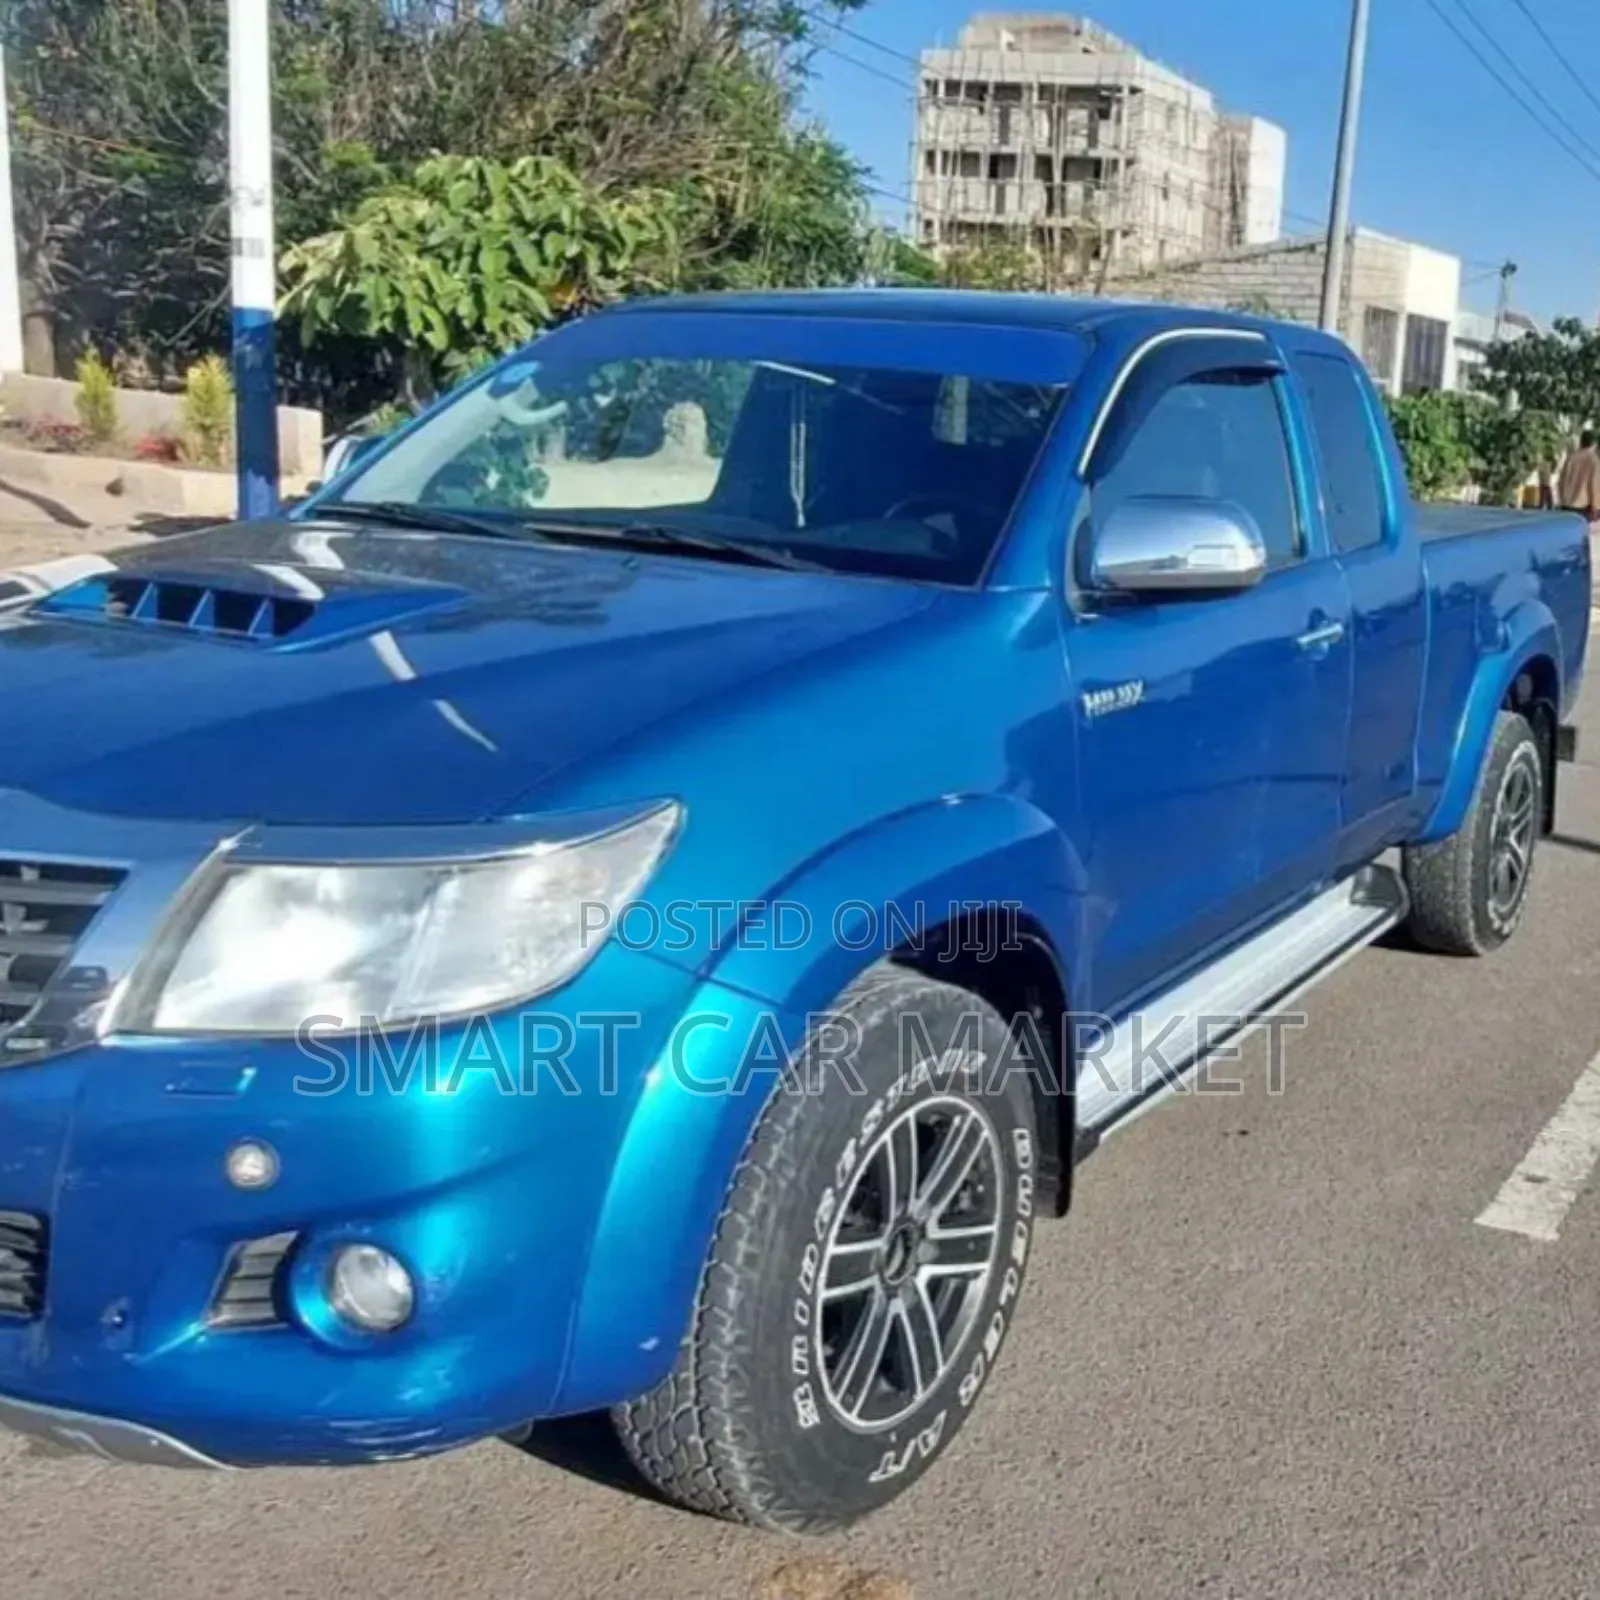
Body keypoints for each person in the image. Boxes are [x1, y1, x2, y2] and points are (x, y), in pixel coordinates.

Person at [1557, 430, 1600, 525]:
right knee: (1581, 536)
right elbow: (1594, 485)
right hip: (1582, 507)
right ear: (1594, 443)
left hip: (1566, 504)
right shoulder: (1593, 460)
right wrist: (1595, 507)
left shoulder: (1571, 458)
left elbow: (1561, 481)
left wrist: (1562, 499)